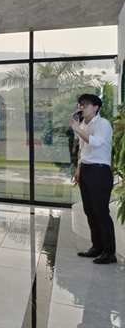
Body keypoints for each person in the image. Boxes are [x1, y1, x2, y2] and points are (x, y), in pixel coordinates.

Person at [69, 94, 116, 264]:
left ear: (96, 107)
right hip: (86, 171)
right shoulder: (83, 124)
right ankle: (97, 247)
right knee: (89, 211)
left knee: (101, 212)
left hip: (100, 171)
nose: (81, 108)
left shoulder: (103, 124)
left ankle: (109, 252)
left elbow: (96, 142)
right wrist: (79, 170)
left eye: (85, 105)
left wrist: (77, 129)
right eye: (80, 104)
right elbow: (82, 151)